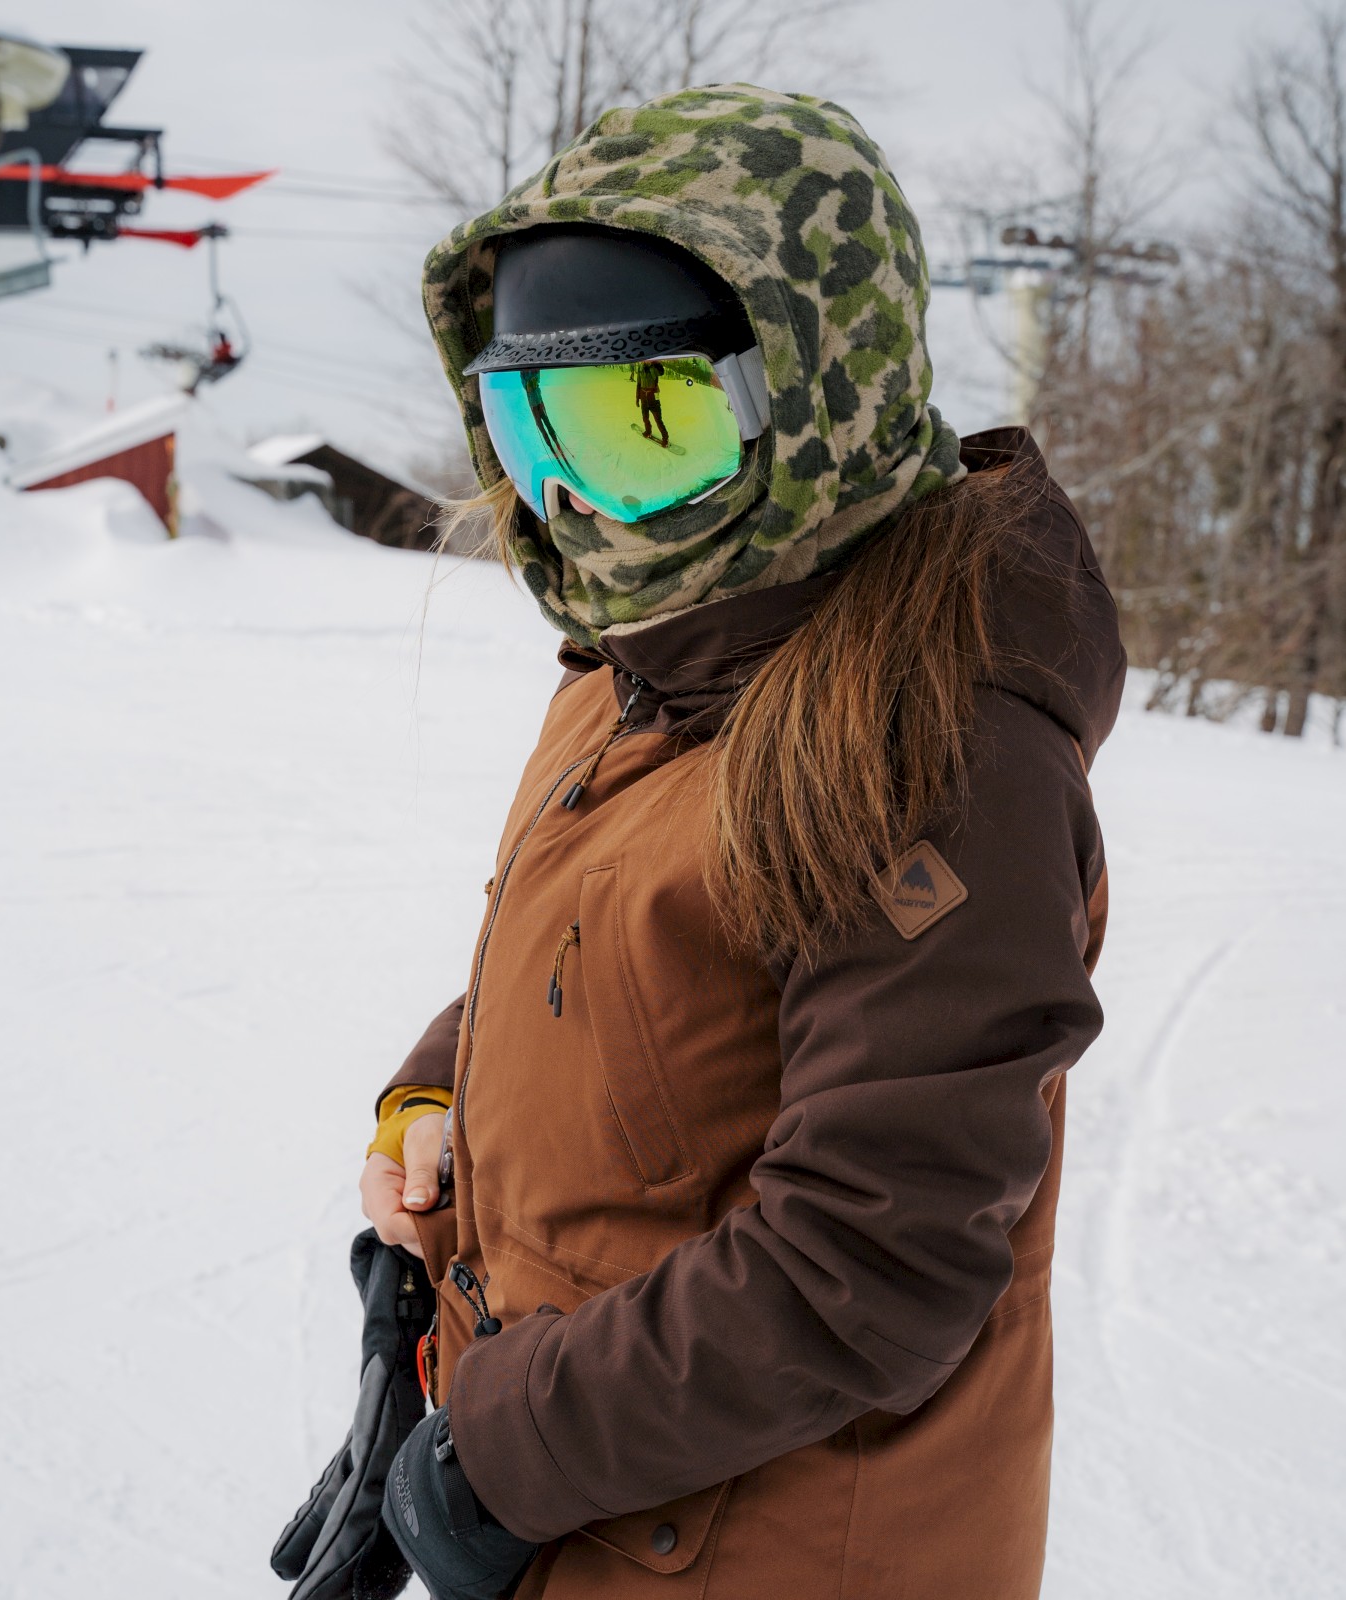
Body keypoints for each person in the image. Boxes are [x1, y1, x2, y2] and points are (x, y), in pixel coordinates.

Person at [357, 84, 1124, 1600]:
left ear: (813, 391)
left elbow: (872, 1255)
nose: (580, 502)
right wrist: (437, 1092)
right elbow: (599, 960)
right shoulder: (652, 657)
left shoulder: (928, 746)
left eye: (653, 427)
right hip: (614, 1502)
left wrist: (501, 1455)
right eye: (533, 423)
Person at [634, 360, 669, 446]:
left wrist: (655, 363)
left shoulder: (656, 366)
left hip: (653, 397)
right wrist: (637, 398)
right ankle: (648, 431)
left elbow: (662, 372)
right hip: (643, 396)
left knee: (658, 420)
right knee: (645, 417)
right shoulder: (640, 367)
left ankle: (665, 437)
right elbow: (638, 383)